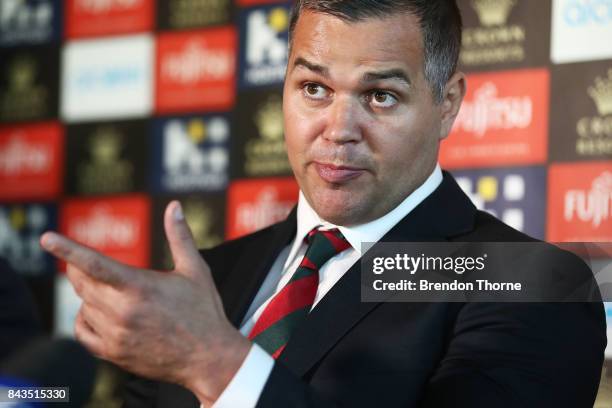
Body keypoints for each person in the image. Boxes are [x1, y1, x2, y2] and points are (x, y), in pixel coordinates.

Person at [40, 1, 606, 407]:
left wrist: (217, 365)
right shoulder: (209, 279)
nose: (338, 130)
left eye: (381, 96)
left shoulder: (533, 283)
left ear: (447, 104)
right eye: (314, 89)